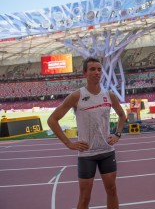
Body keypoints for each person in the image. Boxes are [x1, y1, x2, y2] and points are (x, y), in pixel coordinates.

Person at [47, 57, 126, 209]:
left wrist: (118, 134)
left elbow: (122, 115)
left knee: (112, 190)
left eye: (99, 69)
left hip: (107, 152)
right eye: (92, 69)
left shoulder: (110, 95)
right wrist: (69, 143)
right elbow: (52, 120)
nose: (97, 72)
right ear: (85, 73)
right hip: (86, 155)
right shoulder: (77, 96)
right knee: (84, 196)